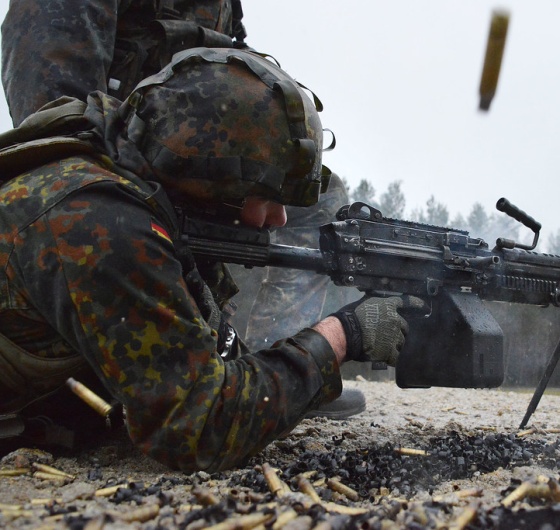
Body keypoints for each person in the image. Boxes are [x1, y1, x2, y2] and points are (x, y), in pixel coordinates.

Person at [0, 47, 423, 471]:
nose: (277, 219)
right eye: (267, 196)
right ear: (208, 177)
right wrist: (341, 335)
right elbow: (201, 429)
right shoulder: (100, 220)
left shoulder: (132, 172)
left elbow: (218, 365)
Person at [0, 0, 366, 419]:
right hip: (136, 162)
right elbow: (49, 83)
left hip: (185, 171)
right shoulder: (95, 209)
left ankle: (269, 370)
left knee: (313, 195)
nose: (278, 220)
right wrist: (111, 170)